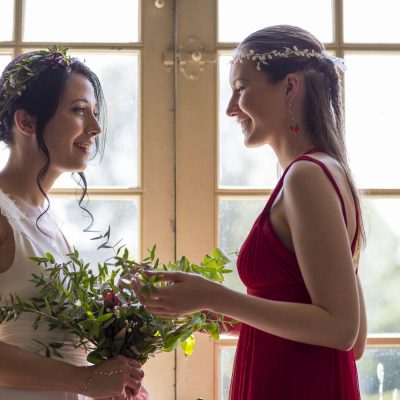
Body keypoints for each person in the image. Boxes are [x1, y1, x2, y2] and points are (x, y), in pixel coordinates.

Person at [135, 25, 367, 399]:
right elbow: (352, 338)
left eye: (241, 88)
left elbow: (342, 330)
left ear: (290, 88)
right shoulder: (327, 172)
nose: (230, 108)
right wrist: (217, 314)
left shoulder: (306, 177)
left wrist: (215, 296)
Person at [0, 47, 147, 400]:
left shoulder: (46, 222)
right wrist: (84, 380)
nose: (95, 128)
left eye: (95, 113)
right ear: (26, 122)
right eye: (80, 111)